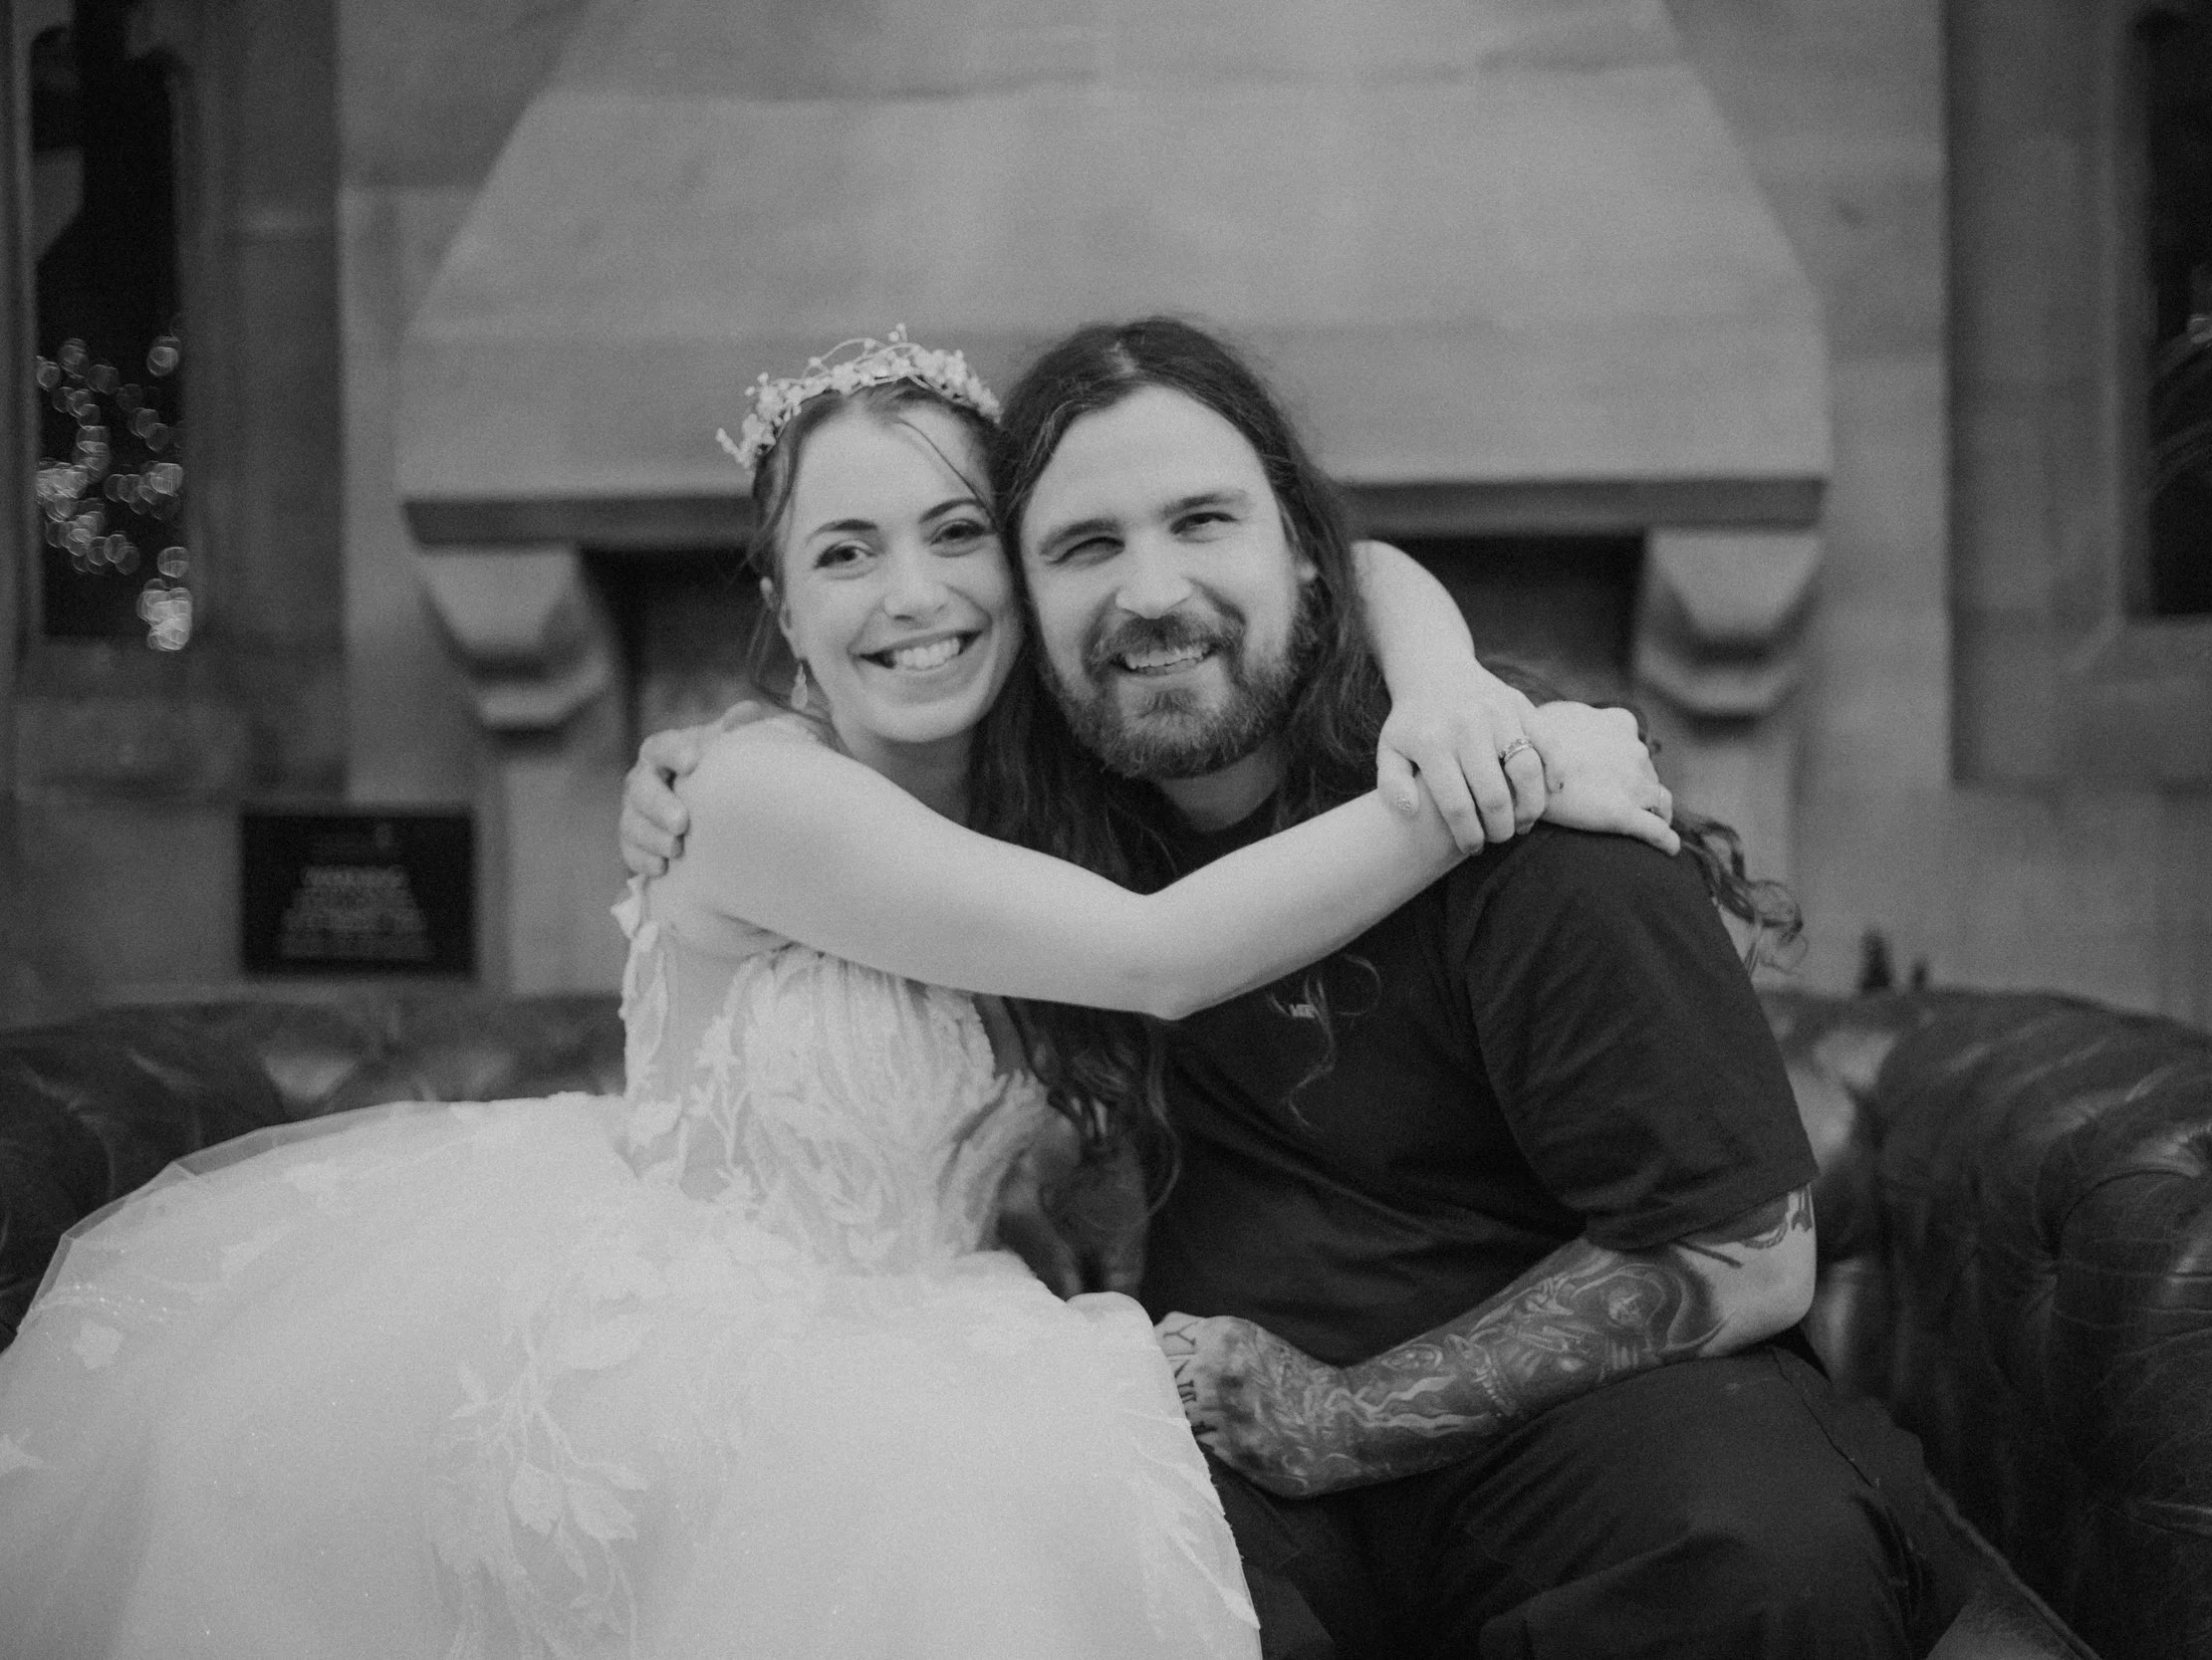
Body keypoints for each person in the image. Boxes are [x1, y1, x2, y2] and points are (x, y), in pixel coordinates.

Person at [0, 331, 1671, 1660]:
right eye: (847, 551)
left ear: (1026, 570)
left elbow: (1352, 564)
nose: (914, 596)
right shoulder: (753, 795)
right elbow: (1157, 959)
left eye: (957, 536)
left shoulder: (1049, 805)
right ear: (784, 607)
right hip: (693, 1354)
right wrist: (1499, 779)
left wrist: (1451, 691)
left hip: (937, 1323)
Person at [625, 318, 1969, 1660]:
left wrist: (1346, 1415)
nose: (1151, 592)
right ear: (1030, 609)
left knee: (1763, 1555)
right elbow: (1139, 944)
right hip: (1221, 1466)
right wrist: (732, 755)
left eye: (1203, 521)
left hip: (1583, 1440)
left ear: (1305, 559)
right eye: (1086, 546)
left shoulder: (1548, 833)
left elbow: (1746, 1254)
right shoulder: (1059, 828)